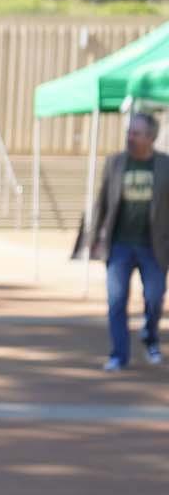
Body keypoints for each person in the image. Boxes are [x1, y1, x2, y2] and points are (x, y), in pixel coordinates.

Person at [89, 108, 168, 372]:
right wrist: (95, 237)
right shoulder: (115, 163)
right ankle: (119, 354)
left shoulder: (165, 166)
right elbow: (102, 202)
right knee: (116, 300)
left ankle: (150, 336)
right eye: (129, 132)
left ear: (150, 138)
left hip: (154, 246)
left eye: (136, 133)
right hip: (120, 244)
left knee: (155, 297)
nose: (130, 137)